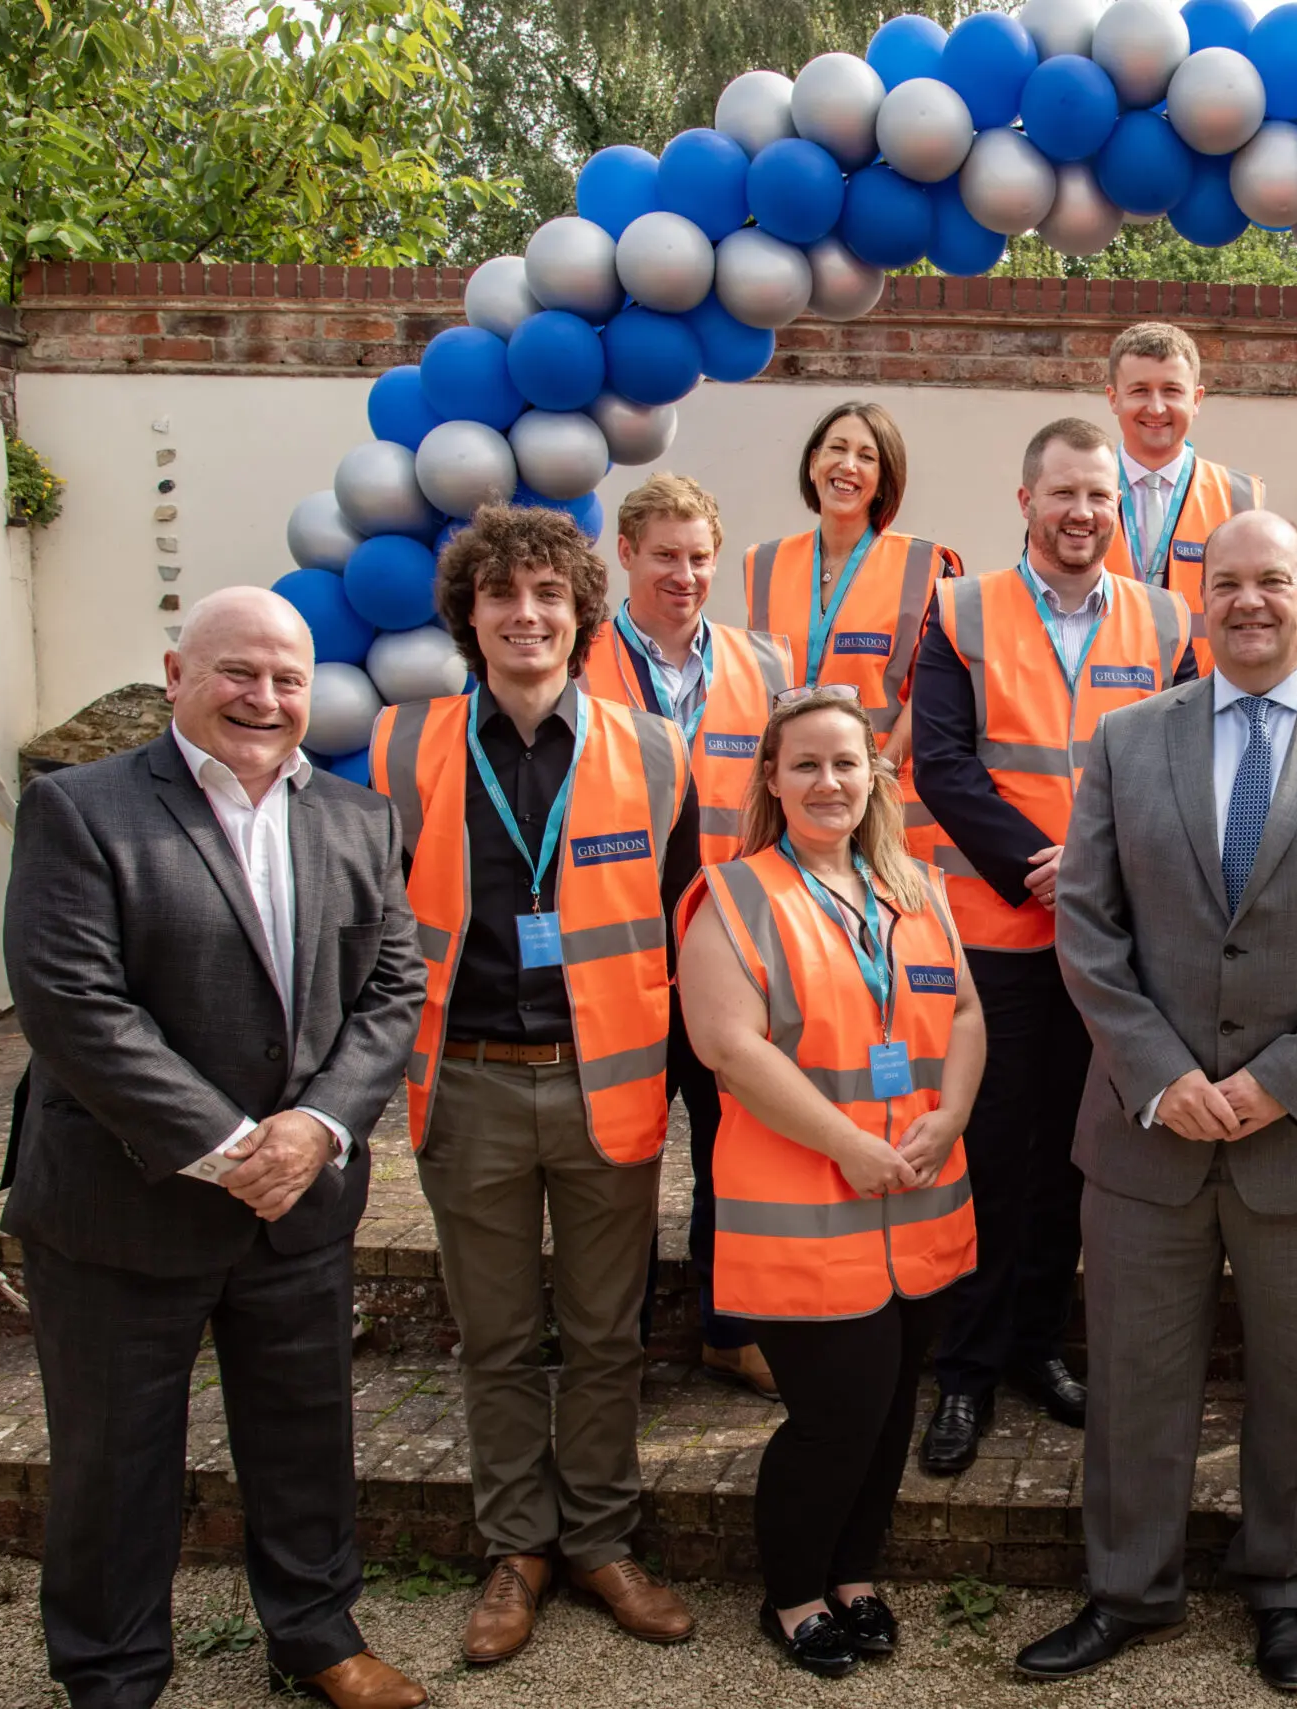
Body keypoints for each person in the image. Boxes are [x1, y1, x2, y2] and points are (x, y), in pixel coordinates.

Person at [1016, 509, 1297, 1693]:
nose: (1248, 599)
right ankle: (1128, 1588)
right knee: (1134, 1379)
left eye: (1271, 579)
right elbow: (1089, 926)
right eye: (1225, 583)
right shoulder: (1122, 738)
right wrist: (1164, 1076)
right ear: (1194, 600)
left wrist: (1279, 1080)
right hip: (1149, 1131)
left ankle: (1281, 1583)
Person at [2, 586, 427, 1709]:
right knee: (114, 1456)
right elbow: (70, 1001)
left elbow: (393, 989)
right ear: (176, 671)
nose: (266, 696)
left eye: (288, 677)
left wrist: (319, 1127)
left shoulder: (358, 816)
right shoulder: (80, 808)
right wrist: (236, 1141)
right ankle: (112, 1669)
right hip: (122, 1199)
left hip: (299, 1203)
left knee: (304, 1435)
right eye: (239, 671)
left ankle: (316, 1631)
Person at [367, 504, 702, 1666]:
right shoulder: (401, 743)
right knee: (499, 1337)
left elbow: (686, 918)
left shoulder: (654, 749)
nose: (526, 614)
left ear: (581, 615)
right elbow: (375, 923)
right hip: (466, 1083)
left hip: (607, 1083)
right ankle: (518, 1548)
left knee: (606, 1335)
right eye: (501, 595)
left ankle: (604, 1539)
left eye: (549, 595)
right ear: (469, 614)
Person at [908, 418, 1200, 1473]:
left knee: (1075, 1161)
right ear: (1025, 499)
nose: (1082, 513)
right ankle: (965, 1371)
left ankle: (1037, 1346)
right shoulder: (959, 609)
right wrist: (1050, 864)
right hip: (995, 934)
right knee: (989, 1152)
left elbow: (1179, 770)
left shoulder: (1166, 619)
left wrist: (1098, 877)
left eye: (1099, 497)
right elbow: (940, 764)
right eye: (1063, 493)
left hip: (1116, 942)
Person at [677, 686, 985, 1679]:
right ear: (770, 778)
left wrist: (952, 1112)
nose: (828, 780)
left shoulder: (917, 886)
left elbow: (970, 1015)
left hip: (918, 1195)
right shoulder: (732, 896)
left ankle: (855, 1572)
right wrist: (848, 1141)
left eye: (846, 762)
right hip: (808, 1205)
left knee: (894, 1403)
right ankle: (795, 1591)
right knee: (837, 1414)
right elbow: (728, 1045)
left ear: (874, 777)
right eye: (804, 763)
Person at [582, 472, 792, 1402]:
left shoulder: (768, 664)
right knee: (613, 1160)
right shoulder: (573, 659)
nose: (684, 573)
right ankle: (611, 1344)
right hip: (615, 953)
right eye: (664, 554)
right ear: (624, 554)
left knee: (732, 1145)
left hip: (729, 952)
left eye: (699, 556)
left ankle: (729, 1328)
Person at [742, 399, 962, 757]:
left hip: (885, 793)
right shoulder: (763, 563)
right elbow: (755, 684)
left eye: (866, 457)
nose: (848, 466)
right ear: (814, 464)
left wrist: (877, 778)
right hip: (791, 787)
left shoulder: (926, 565)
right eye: (837, 449)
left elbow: (932, 691)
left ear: (882, 479)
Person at [1100, 320, 1264, 666]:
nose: (1157, 408)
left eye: (1172, 391)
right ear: (1113, 398)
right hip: (1101, 691)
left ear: (1196, 399)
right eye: (1140, 390)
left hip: (1207, 698)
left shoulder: (1241, 497)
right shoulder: (1076, 491)